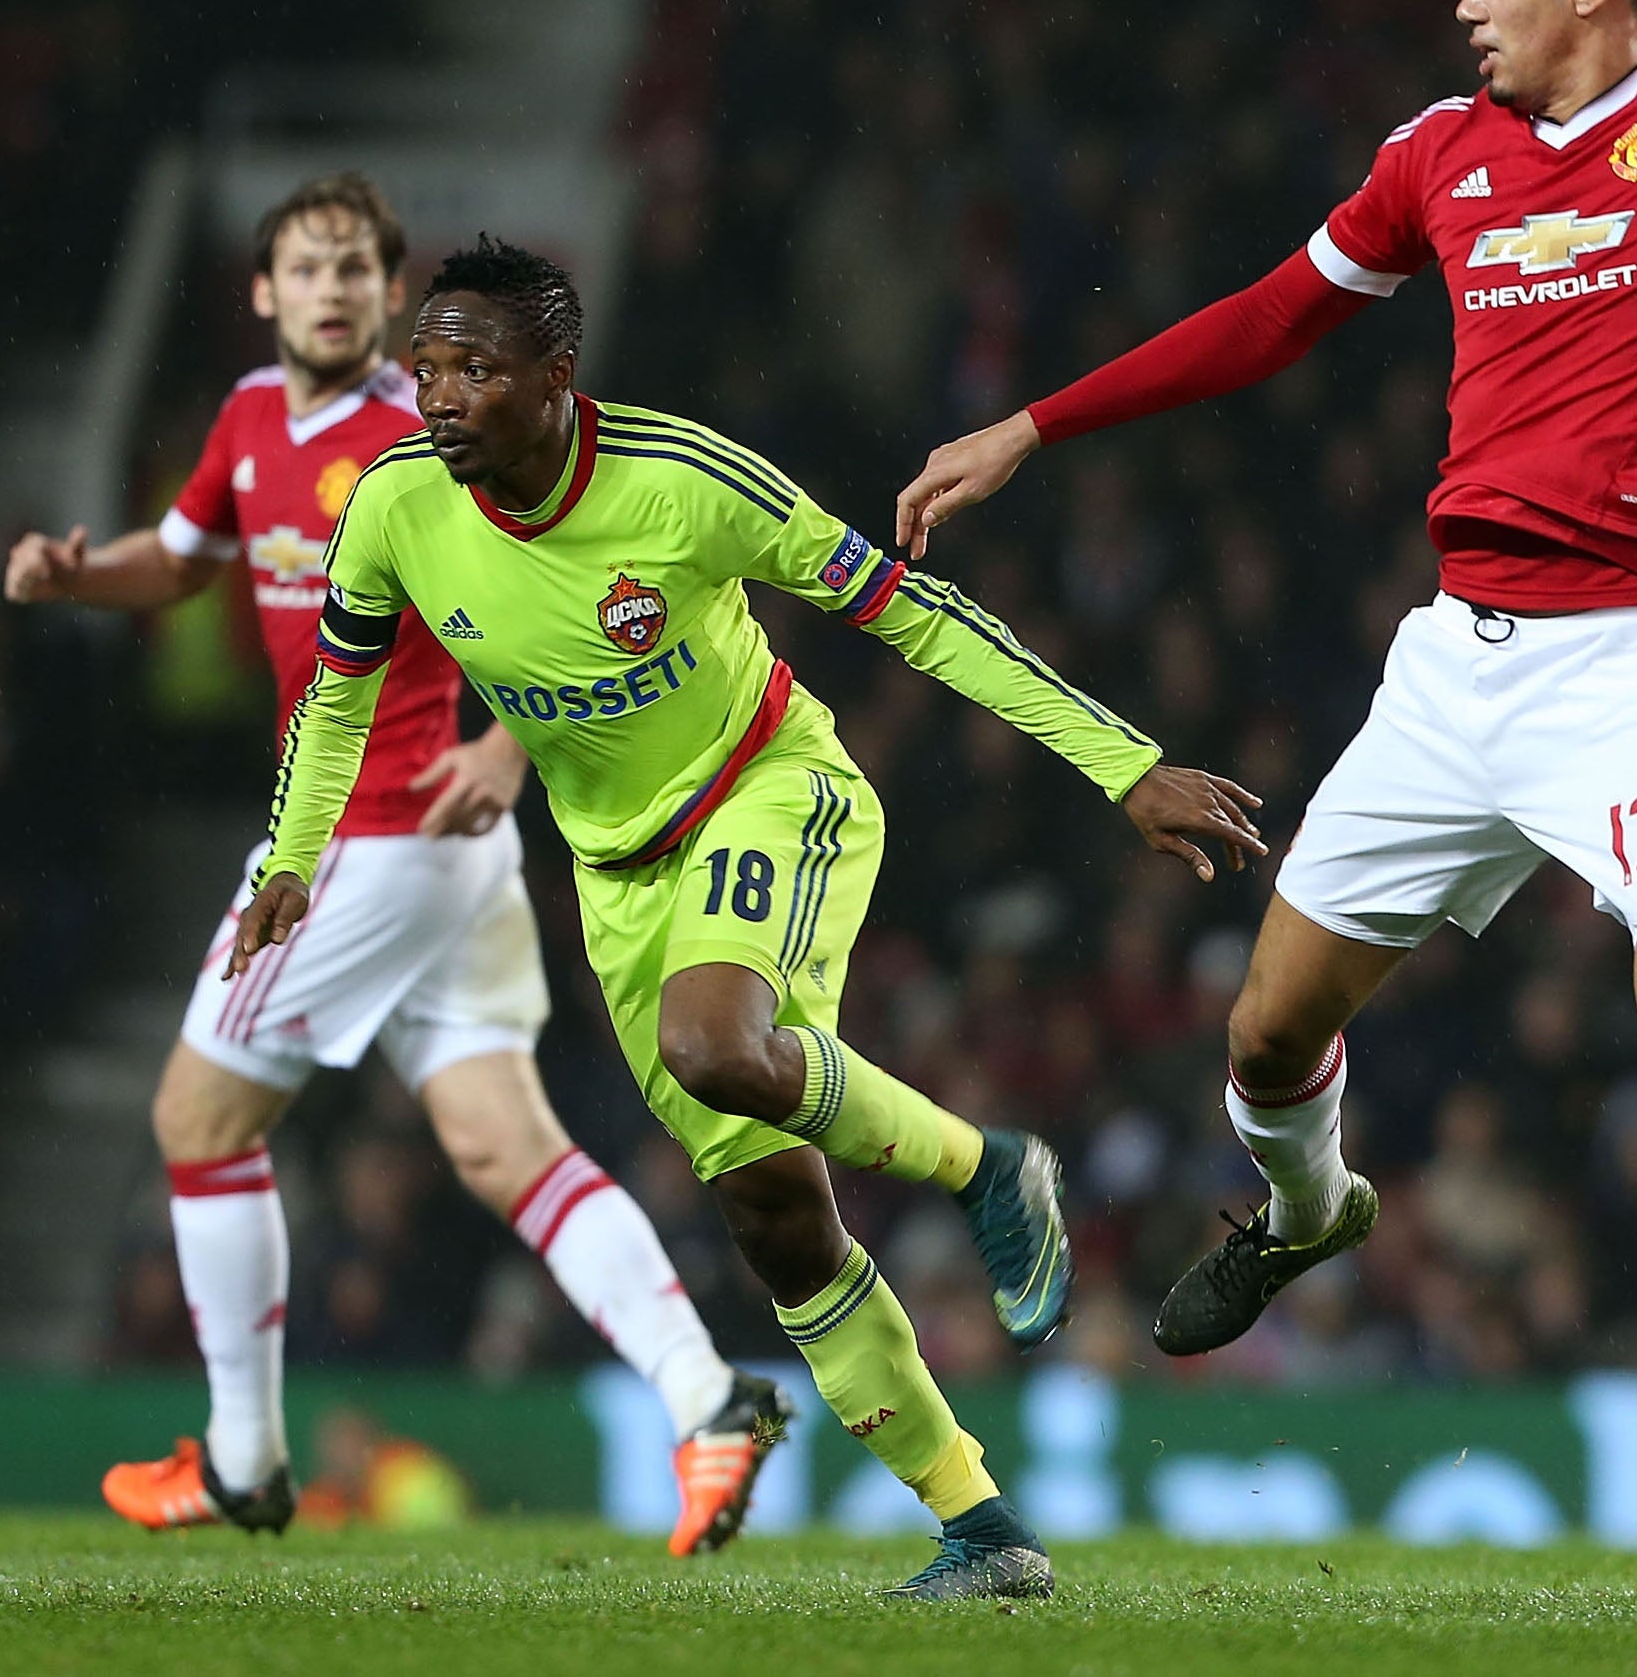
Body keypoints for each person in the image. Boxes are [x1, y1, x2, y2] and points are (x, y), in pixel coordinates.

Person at [896, 0, 1637, 1601]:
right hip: (1453, 674)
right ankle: (1308, 1211)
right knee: (1264, 1041)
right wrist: (1038, 426)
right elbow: (1275, 317)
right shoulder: (1437, 156)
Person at [226, 236, 1265, 1598]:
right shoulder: (396, 508)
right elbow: (336, 693)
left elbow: (913, 613)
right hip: (617, 879)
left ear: (554, 379)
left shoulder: (683, 481)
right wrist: (290, 861)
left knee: (719, 1044)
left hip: (770, 792)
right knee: (779, 1219)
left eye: (474, 371)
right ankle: (982, 1527)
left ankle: (991, 1169)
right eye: (427, 370)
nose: (438, 399)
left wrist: (1122, 762)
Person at [5, 175, 775, 1556]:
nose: (333, 289)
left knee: (197, 1122)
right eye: (307, 268)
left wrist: (505, 752)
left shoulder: (425, 444)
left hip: (375, 838)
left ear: (388, 291)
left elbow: (559, 604)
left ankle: (244, 1459)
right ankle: (708, 1394)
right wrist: (79, 575)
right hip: (429, 871)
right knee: (504, 1146)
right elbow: (184, 564)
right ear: (265, 292)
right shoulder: (249, 420)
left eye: (358, 268)